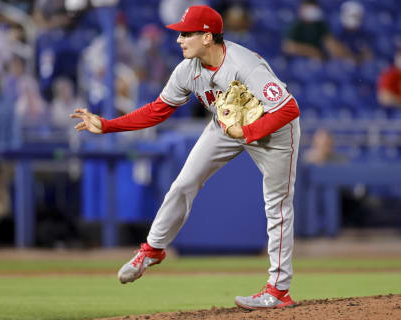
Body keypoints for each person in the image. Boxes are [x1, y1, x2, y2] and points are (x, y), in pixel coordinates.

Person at [70, 5, 300, 309]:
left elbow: (288, 108)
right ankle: (152, 249)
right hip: (226, 126)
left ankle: (278, 290)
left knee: (277, 205)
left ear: (207, 37)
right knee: (183, 182)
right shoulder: (187, 70)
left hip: (275, 131)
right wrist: (109, 126)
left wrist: (248, 133)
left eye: (186, 33)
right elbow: (157, 111)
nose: (179, 39)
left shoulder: (244, 65)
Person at [282, 0, 351, 61]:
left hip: (318, 60)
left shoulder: (320, 25)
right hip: (298, 60)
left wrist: (346, 55)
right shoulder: (297, 24)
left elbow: (330, 43)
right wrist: (311, 51)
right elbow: (288, 46)